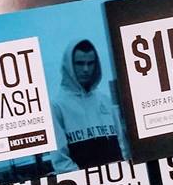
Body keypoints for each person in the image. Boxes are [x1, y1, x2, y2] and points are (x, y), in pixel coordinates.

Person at [50, 39, 122, 172]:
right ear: (68, 65)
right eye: (79, 63)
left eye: (90, 63)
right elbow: (61, 161)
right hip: (86, 183)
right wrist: (86, 181)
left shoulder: (105, 100)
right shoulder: (56, 106)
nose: (86, 69)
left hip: (119, 178)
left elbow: (122, 144)